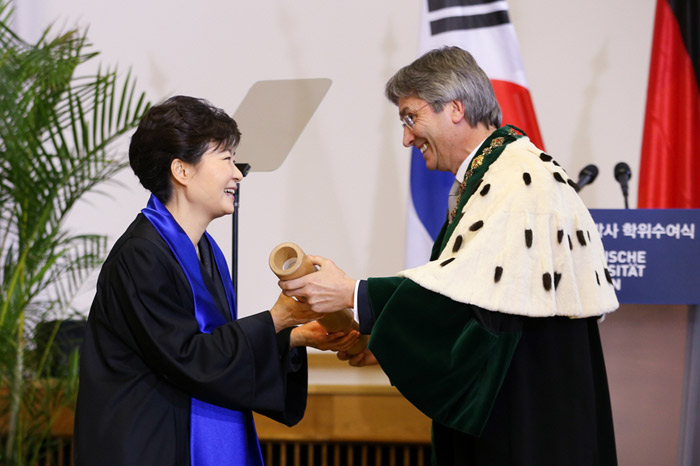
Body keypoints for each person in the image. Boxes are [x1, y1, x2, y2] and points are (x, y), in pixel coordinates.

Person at [278, 47, 620, 466]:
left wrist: (352, 294)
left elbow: (474, 301)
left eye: (411, 117)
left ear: (455, 108)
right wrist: (387, 337)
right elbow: (473, 298)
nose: (406, 137)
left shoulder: (519, 180)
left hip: (529, 422)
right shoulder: (494, 174)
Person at [73, 95, 359, 466]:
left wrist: (292, 337)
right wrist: (277, 319)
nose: (238, 173)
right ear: (183, 171)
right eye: (225, 159)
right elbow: (187, 357)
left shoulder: (203, 249)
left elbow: (213, 349)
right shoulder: (141, 255)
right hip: (149, 443)